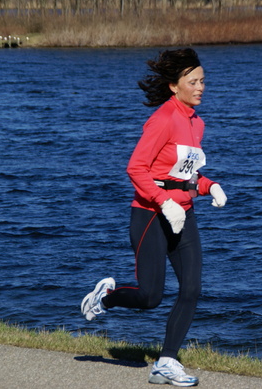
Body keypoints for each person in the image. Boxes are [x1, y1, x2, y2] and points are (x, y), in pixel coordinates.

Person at [81, 48, 227, 387]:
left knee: (191, 289)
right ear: (174, 86)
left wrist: (209, 186)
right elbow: (136, 168)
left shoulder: (197, 122)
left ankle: (166, 362)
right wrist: (164, 202)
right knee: (150, 297)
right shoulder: (163, 119)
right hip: (150, 214)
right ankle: (105, 297)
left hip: (183, 216)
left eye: (203, 80)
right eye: (193, 82)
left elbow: (184, 176)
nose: (201, 87)